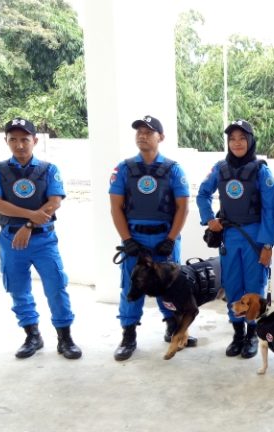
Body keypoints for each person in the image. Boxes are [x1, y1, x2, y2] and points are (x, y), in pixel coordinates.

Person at [0, 117, 81, 360]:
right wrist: (31, 215)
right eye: (13, 139)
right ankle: (32, 336)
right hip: (11, 240)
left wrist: (29, 225)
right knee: (18, 289)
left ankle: (65, 338)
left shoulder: (49, 170)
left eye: (25, 139)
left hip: (43, 240)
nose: (19, 145)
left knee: (56, 287)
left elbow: (55, 202)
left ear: (35, 141)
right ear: (6, 141)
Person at [109, 115, 191, 361]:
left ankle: (174, 328)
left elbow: (183, 207)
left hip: (165, 237)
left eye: (148, 132)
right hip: (135, 238)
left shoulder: (173, 169)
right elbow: (116, 207)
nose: (142, 136)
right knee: (132, 286)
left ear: (161, 137)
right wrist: (127, 240)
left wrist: (171, 239)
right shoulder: (124, 169)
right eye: (139, 132)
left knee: (171, 285)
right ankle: (128, 334)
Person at [197, 119, 274, 359]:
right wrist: (209, 219)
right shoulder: (219, 169)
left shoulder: (261, 171)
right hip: (230, 236)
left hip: (254, 236)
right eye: (232, 139)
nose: (237, 143)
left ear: (250, 141)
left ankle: (252, 334)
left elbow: (270, 209)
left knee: (254, 286)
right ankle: (238, 334)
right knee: (232, 285)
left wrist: (267, 245)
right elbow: (203, 194)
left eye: (242, 138)